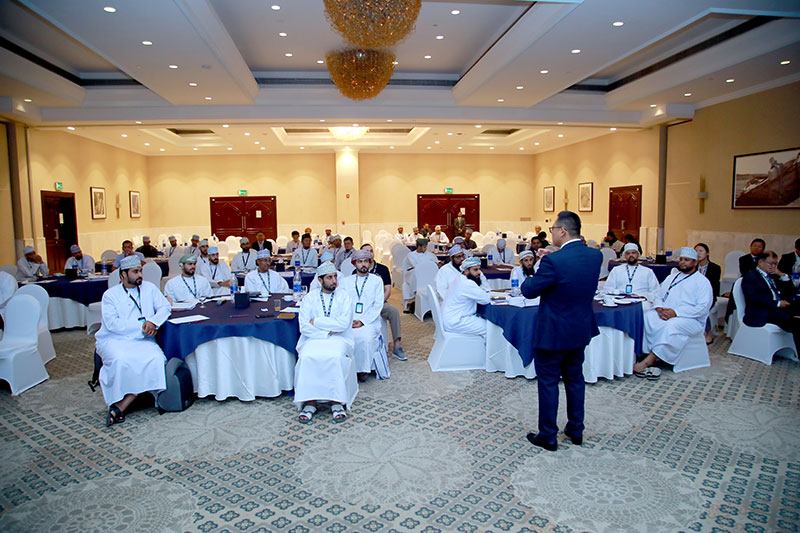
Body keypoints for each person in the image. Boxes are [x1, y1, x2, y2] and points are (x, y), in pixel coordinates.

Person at [521, 211, 603, 452]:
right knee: (575, 379)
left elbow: (529, 290)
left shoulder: (553, 262)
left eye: (554, 229)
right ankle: (576, 429)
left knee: (548, 382)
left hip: (553, 332)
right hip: (580, 329)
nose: (552, 232)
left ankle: (548, 435)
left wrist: (539, 266)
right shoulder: (595, 256)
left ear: (563, 231)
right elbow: (571, 274)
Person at [95, 255, 171, 426]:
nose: (140, 275)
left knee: (156, 359)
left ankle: (122, 405)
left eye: (140, 271)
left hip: (143, 339)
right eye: (135, 272)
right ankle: (120, 401)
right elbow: (112, 323)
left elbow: (165, 307)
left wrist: (153, 322)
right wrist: (142, 326)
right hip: (115, 339)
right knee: (121, 360)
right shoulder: (110, 295)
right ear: (123, 274)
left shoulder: (149, 288)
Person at [636, 247, 713, 379]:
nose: (683, 262)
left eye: (687, 260)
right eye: (681, 259)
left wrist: (676, 313)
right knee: (648, 316)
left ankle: (649, 360)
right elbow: (658, 295)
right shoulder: (672, 277)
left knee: (672, 326)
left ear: (695, 262)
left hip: (691, 319)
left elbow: (703, 308)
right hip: (666, 313)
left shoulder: (702, 282)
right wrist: (659, 308)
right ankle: (647, 353)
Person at [294, 262, 357, 424]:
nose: (334, 281)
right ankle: (310, 401)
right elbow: (304, 326)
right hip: (313, 338)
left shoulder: (344, 297)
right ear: (320, 280)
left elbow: (343, 324)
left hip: (340, 338)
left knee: (335, 357)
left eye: (335, 277)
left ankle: (336, 401)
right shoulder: (309, 298)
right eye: (329, 278)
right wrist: (327, 331)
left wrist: (317, 322)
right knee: (307, 357)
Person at [341, 250, 390, 382]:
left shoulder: (377, 280)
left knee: (365, 338)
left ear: (370, 263)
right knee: (345, 336)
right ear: (354, 263)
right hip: (350, 320)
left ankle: (363, 369)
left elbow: (378, 305)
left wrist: (362, 321)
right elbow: (342, 303)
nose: (363, 264)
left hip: (370, 321)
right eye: (359, 261)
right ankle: (349, 369)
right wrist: (349, 320)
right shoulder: (346, 282)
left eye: (365, 261)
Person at [741, 251, 799, 352]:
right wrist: (777, 304)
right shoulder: (751, 276)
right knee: (795, 323)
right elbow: (753, 298)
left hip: (777, 308)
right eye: (771, 263)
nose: (773, 267)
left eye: (775, 264)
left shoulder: (773, 275)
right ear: (761, 262)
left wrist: (782, 275)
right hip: (761, 311)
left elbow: (791, 291)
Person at [360, 243, 407, 361]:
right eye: (366, 252)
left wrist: (378, 304)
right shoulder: (358, 271)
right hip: (363, 305)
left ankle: (397, 346)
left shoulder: (383, 269)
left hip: (380, 303)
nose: (369, 254)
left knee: (393, 311)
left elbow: (388, 290)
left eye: (371, 251)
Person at [442, 257, 492, 336]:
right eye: (475, 270)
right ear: (466, 271)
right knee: (492, 327)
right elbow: (486, 299)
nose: (479, 272)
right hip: (457, 321)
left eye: (479, 269)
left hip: (452, 318)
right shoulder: (467, 283)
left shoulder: (459, 278)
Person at [695, 243, 722, 343]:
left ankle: (708, 332)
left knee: (703, 307)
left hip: (708, 296)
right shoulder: (693, 267)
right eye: (696, 251)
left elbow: (714, 287)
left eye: (701, 251)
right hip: (694, 296)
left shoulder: (715, 268)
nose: (698, 253)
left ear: (707, 253)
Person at [402, 238, 438, 311]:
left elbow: (435, 262)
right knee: (416, 273)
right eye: (424, 247)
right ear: (419, 247)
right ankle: (415, 296)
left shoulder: (430, 255)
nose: (426, 248)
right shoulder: (411, 255)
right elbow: (416, 266)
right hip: (413, 274)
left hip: (428, 274)